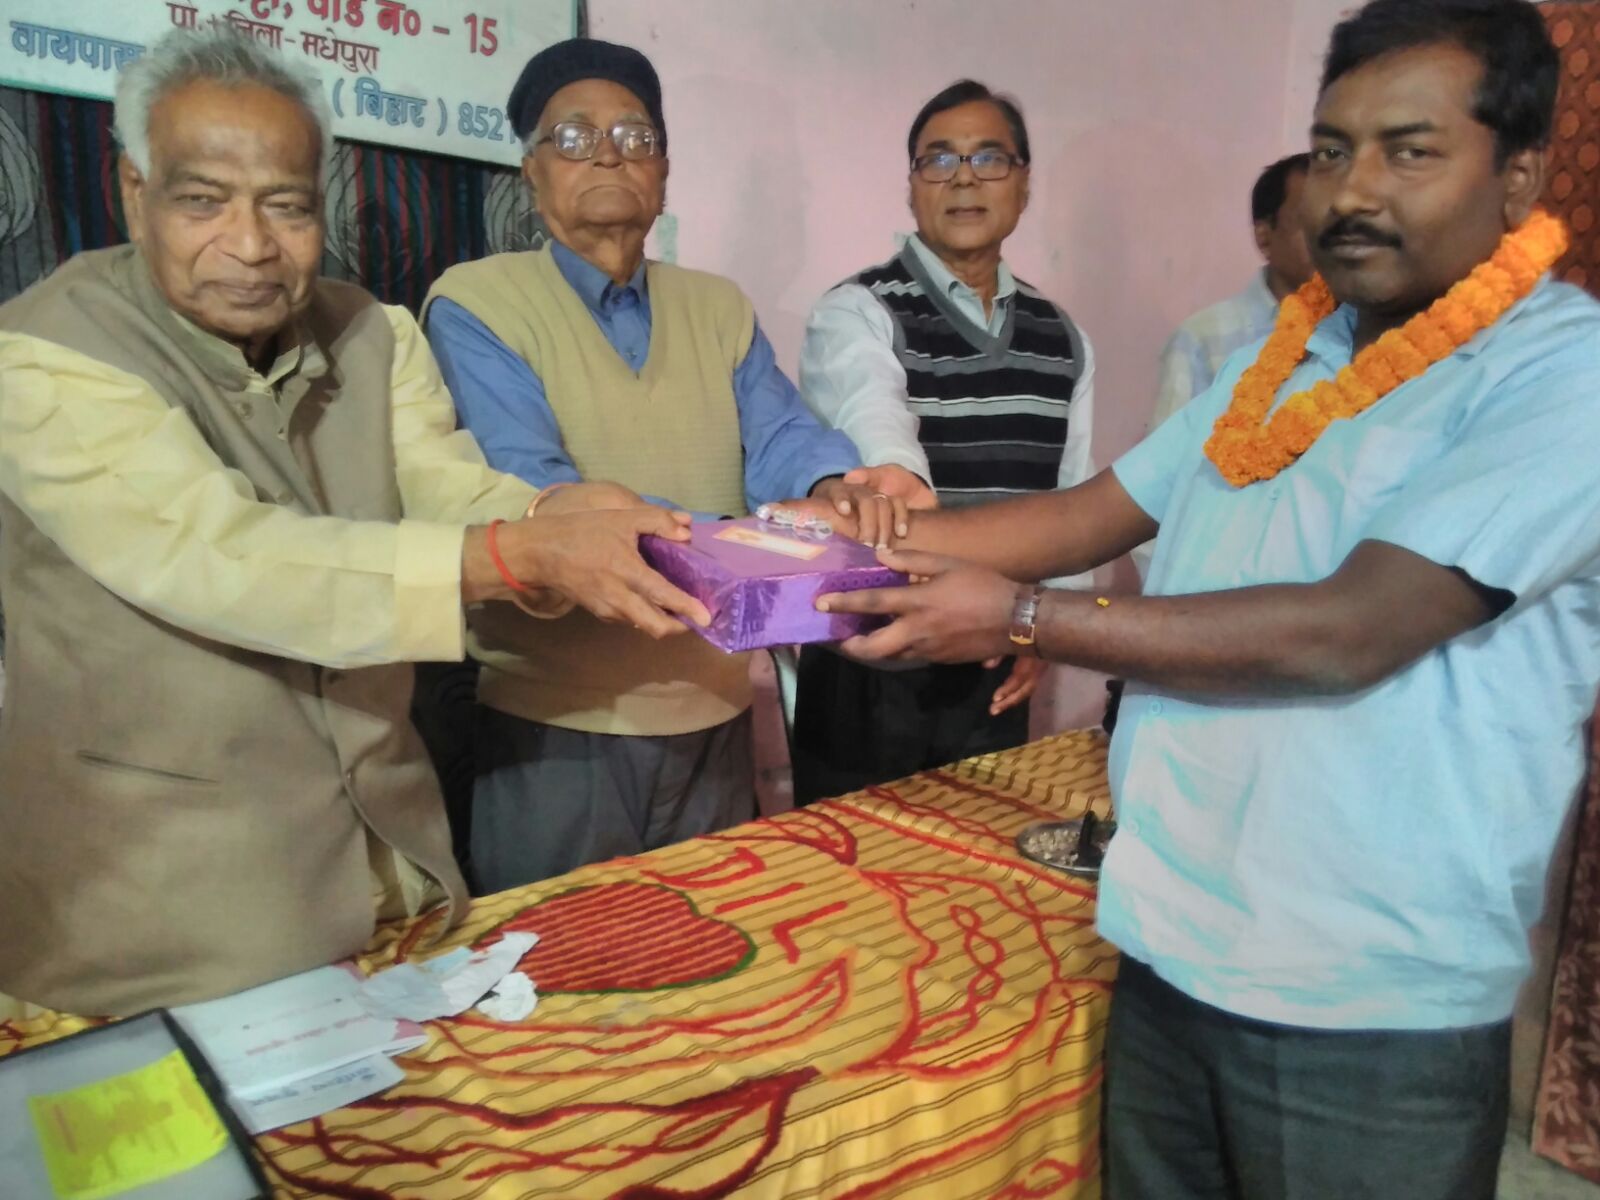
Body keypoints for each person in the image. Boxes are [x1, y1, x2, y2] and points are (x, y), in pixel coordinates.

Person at [819, 2, 1597, 1194]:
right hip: (1171, 947)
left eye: (1410, 149)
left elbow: (1349, 631)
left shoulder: (1563, 374)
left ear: (1521, 175)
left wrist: (1025, 618)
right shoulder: (1277, 361)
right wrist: (834, 546)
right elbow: (1084, 515)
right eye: (1332, 149)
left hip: (1365, 1002)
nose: (1351, 189)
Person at [0, 27, 708, 1018]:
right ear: (133, 190)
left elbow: (445, 487)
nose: (249, 246)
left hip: (394, 878)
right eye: (204, 200)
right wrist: (518, 549)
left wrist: (556, 511)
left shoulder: (376, 331)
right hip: (156, 914)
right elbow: (223, 558)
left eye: (286, 207)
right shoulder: (44, 353)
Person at [423, 38, 922, 891]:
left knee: (718, 974)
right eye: (574, 138)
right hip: (561, 725)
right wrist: (760, 544)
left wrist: (833, 486)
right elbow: (536, 484)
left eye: (635, 135)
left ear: (664, 171)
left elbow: (779, 436)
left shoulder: (717, 305)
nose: (610, 152)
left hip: (718, 711)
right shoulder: (475, 302)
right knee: (560, 988)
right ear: (530, 173)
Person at [789, 80, 1096, 805]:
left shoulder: (1064, 339)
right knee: (845, 886)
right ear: (911, 185)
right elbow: (878, 428)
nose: (963, 177)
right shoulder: (856, 311)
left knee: (975, 885)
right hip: (872, 658)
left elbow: (1075, 504)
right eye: (939, 160)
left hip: (996, 658)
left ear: (1023, 183)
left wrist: (1048, 633)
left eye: (989, 158)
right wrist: (902, 482)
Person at [1149, 153, 1315, 433]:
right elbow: (1164, 469)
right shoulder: (1202, 339)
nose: (1330, 240)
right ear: (1264, 236)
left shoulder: (1367, 331)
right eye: (1310, 223)